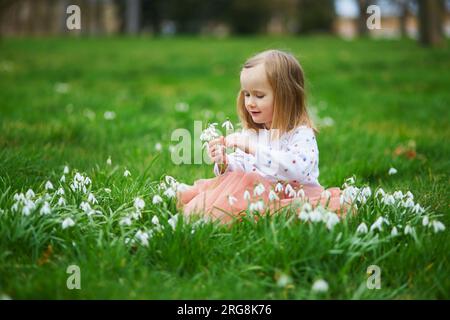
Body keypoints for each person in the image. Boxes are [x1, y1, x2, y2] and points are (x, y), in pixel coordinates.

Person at [178, 49, 342, 224]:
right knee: (227, 194)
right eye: (246, 94)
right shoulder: (252, 132)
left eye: (259, 95)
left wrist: (252, 148)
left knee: (286, 212)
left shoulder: (300, 134)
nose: (250, 102)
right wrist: (224, 162)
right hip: (257, 196)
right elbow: (242, 170)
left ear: (286, 97)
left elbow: (295, 169)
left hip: (293, 197)